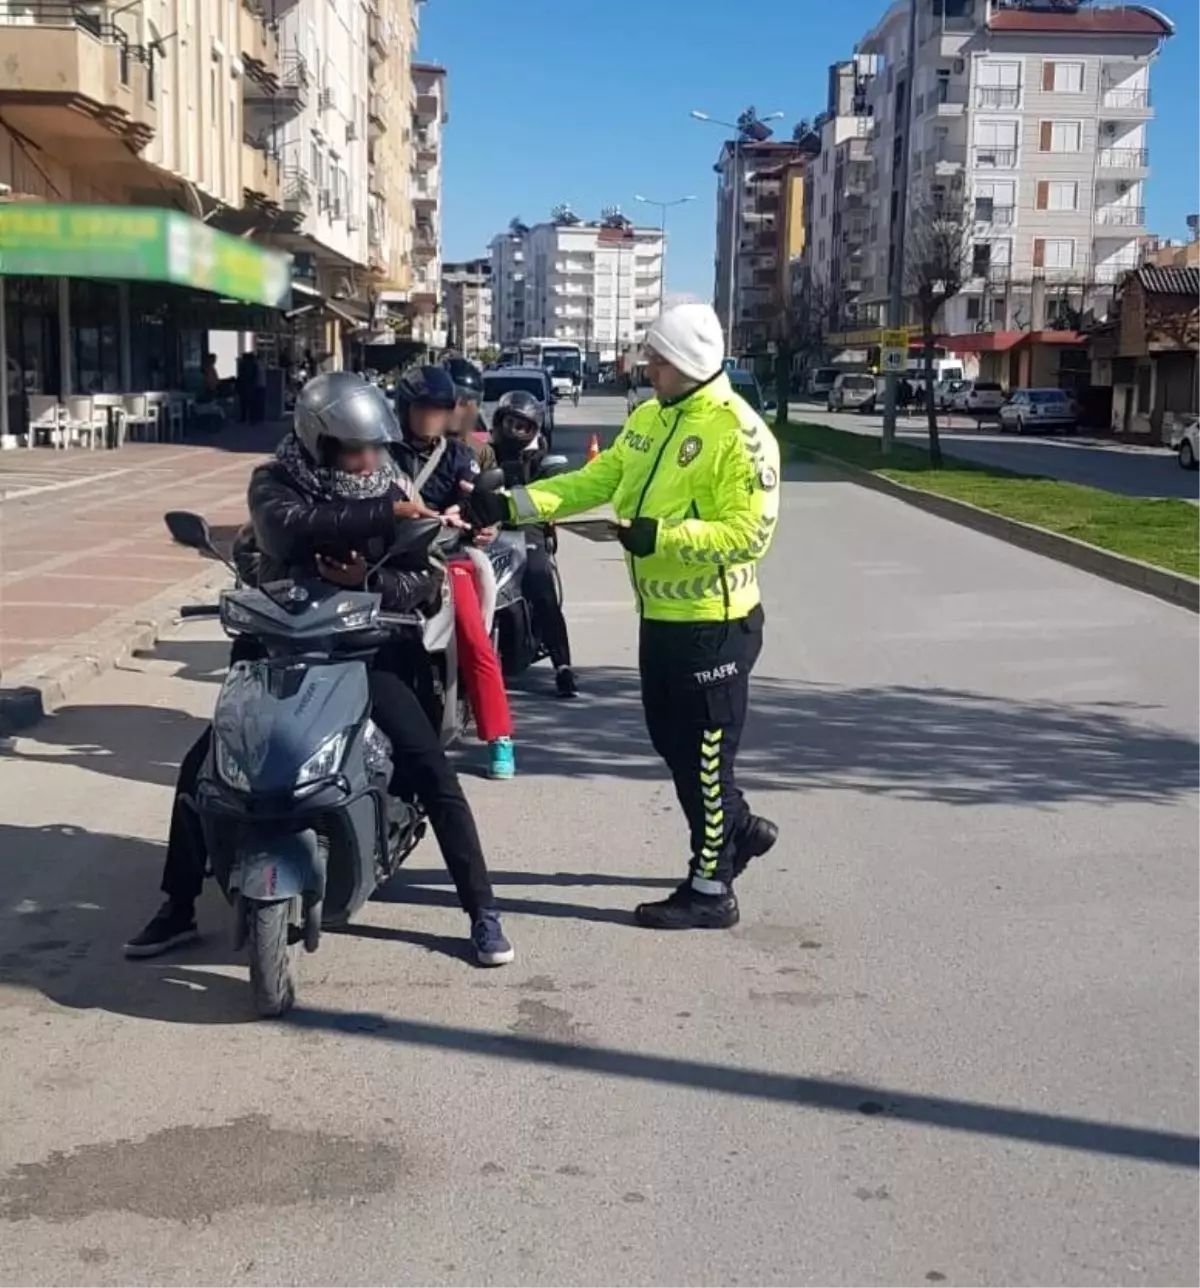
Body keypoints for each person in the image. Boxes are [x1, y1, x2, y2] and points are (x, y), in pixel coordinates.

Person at [124, 372, 515, 967]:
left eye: (372, 447)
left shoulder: (392, 483)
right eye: (354, 448)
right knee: (202, 769)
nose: (366, 460)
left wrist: (368, 582)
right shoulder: (277, 483)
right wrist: (383, 512)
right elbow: (289, 530)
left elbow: (425, 576)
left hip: (363, 653)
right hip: (276, 649)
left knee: (432, 770)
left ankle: (482, 911)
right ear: (318, 441)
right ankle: (177, 905)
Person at [467, 303, 780, 931]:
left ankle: (711, 888)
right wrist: (511, 503)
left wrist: (658, 536)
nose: (647, 366)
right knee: (673, 744)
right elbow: (594, 480)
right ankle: (736, 829)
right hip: (661, 616)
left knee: (705, 756)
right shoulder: (649, 417)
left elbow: (750, 533)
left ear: (688, 363)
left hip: (713, 622)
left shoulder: (739, 434)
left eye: (657, 359)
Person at [393, 365, 516, 781]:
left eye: (439, 409)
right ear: (405, 408)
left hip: (442, 560)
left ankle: (499, 736)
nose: (431, 417)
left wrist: (477, 519)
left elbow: (477, 499)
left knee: (474, 639)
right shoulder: (380, 453)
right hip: (386, 560)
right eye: (423, 408)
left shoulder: (460, 457)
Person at [490, 389, 576, 698]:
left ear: (534, 429)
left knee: (541, 587)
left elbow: (547, 500)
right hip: (488, 530)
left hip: (529, 531)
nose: (514, 431)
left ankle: (563, 667)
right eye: (510, 423)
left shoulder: (543, 459)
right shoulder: (487, 452)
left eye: (522, 426)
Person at [443, 355, 497, 472]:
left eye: (465, 402)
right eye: (450, 401)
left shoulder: (482, 451)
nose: (457, 408)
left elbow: (492, 485)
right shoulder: (413, 449)